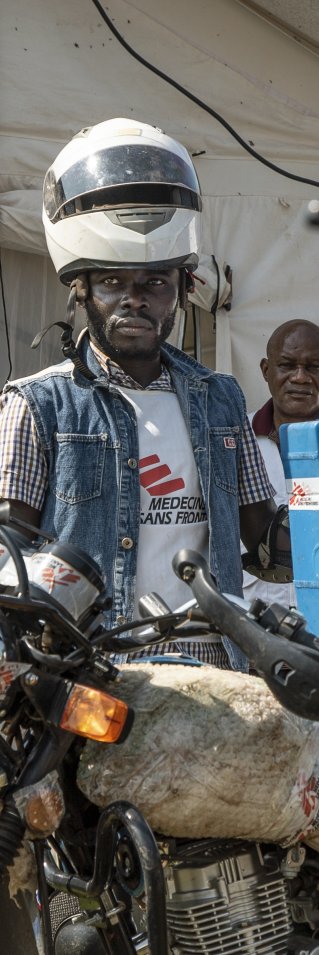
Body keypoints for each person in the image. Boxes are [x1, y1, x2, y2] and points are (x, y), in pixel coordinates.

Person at [0, 118, 291, 672]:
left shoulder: (221, 399)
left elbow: (263, 544)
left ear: (183, 291)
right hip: (97, 673)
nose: (134, 300)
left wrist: (309, 516)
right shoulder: (36, 405)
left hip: (216, 668)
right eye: (112, 282)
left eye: (155, 282)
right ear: (81, 290)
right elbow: (7, 558)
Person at [242, 319, 319, 608]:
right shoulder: (235, 440)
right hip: (251, 618)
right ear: (266, 370)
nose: (300, 378)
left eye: (314, 367)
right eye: (287, 365)